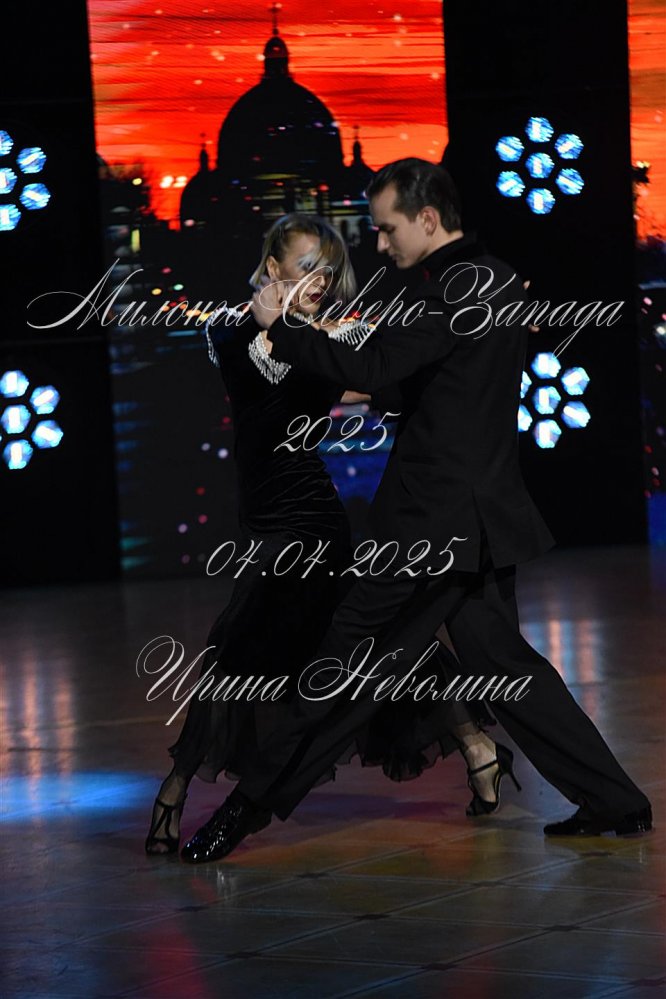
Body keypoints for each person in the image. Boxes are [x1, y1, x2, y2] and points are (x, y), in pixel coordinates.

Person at [179, 160, 652, 864]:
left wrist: (283, 330)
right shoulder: (495, 279)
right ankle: (616, 800)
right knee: (504, 666)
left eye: (387, 227)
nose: (379, 243)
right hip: (480, 522)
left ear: (427, 219)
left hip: (426, 528)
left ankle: (241, 812)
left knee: (339, 667)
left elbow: (375, 370)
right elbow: (441, 387)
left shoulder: (442, 293)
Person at [145, 212, 505, 857]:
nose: (318, 280)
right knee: (258, 652)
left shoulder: (327, 339)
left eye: (328, 271)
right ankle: (477, 746)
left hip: (310, 523)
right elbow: (266, 381)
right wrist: (293, 334)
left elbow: (380, 379)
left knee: (309, 646)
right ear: (273, 267)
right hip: (263, 519)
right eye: (306, 266)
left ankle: (175, 791)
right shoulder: (233, 331)